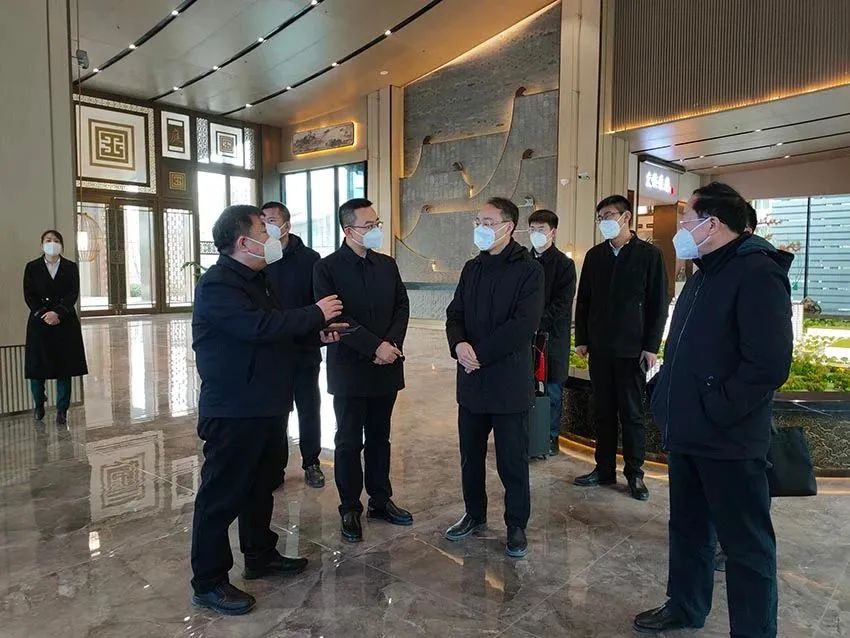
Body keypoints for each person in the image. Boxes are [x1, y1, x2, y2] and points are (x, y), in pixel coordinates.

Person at [634, 183, 793, 636]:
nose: (680, 229)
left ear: (713, 224)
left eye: (686, 220)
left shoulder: (757, 273)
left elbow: (768, 364)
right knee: (688, 529)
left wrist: (716, 410)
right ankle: (685, 606)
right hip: (689, 430)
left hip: (729, 438)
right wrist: (666, 394)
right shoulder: (705, 272)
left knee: (745, 545)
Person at [190, 205, 345, 615]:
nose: (271, 235)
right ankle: (208, 581)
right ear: (244, 242)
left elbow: (275, 331)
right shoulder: (218, 284)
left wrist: (316, 334)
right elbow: (256, 328)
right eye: (264, 229)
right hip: (234, 409)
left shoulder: (259, 280)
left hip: (267, 404)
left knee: (261, 486)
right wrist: (315, 312)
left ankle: (259, 554)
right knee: (221, 496)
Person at [445, 197, 545, 558]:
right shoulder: (472, 267)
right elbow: (454, 313)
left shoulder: (529, 270)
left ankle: (516, 524)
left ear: (508, 226)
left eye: (488, 222)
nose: (481, 228)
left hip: (508, 383)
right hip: (471, 381)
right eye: (478, 221)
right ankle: (474, 513)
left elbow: (523, 325)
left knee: (511, 460)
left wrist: (480, 354)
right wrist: (459, 345)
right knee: (470, 457)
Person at [313, 198, 412, 543]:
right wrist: (374, 347)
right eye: (368, 226)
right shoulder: (326, 268)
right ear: (348, 230)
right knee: (349, 440)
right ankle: (350, 507)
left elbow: (402, 305)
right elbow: (336, 318)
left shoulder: (387, 265)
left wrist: (391, 344)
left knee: (380, 438)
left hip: (387, 366)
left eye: (376, 224)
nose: (375, 231)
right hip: (350, 369)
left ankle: (381, 500)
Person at [573, 195, 668, 501]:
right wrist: (582, 338)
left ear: (626, 217)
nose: (604, 221)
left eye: (609, 215)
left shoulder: (649, 255)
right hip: (600, 348)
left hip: (632, 350)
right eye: (600, 217)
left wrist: (651, 345)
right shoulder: (595, 256)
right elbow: (584, 300)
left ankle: (634, 474)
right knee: (602, 412)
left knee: (632, 414)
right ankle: (603, 469)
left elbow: (658, 304)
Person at [260, 201, 325, 489]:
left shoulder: (310, 259)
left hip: (304, 348)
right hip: (273, 349)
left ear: (286, 224)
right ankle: (276, 467)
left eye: (272, 219)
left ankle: (312, 462)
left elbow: (318, 302)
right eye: (263, 220)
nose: (267, 225)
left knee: (308, 408)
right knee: (276, 410)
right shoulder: (261, 256)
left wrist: (317, 331)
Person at [23, 230, 88, 426]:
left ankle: (62, 410)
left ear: (62, 245)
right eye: (48, 240)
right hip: (40, 322)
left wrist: (58, 313)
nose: (52, 243)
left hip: (64, 321)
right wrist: (45, 313)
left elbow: (73, 293)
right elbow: (29, 294)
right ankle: (39, 404)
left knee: (64, 369)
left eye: (56, 240)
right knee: (37, 369)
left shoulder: (70, 267)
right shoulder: (32, 267)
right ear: (42, 244)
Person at [528, 209, 577, 456]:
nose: (536, 234)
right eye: (532, 229)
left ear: (553, 232)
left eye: (541, 229)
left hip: (552, 338)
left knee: (552, 391)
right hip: (524, 338)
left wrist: (534, 322)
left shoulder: (564, 265)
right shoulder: (523, 261)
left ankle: (550, 437)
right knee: (525, 389)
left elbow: (562, 303)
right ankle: (527, 437)